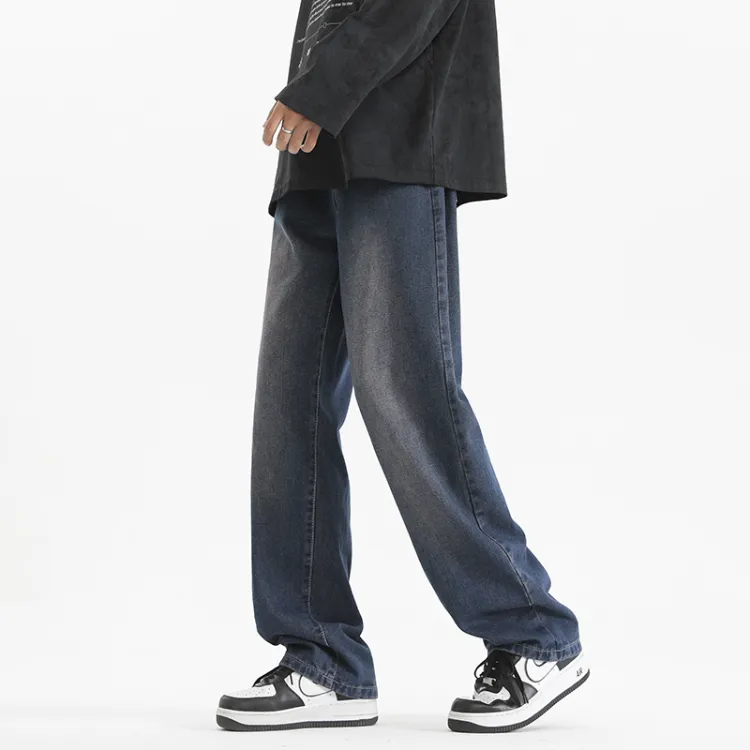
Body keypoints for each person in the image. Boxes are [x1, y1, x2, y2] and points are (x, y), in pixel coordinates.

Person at [216, 0, 589, 734]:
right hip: (314, 150)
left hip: (396, 133)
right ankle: (321, 660)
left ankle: (535, 635)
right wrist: (313, 96)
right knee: (288, 405)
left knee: (403, 389)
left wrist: (323, 89)